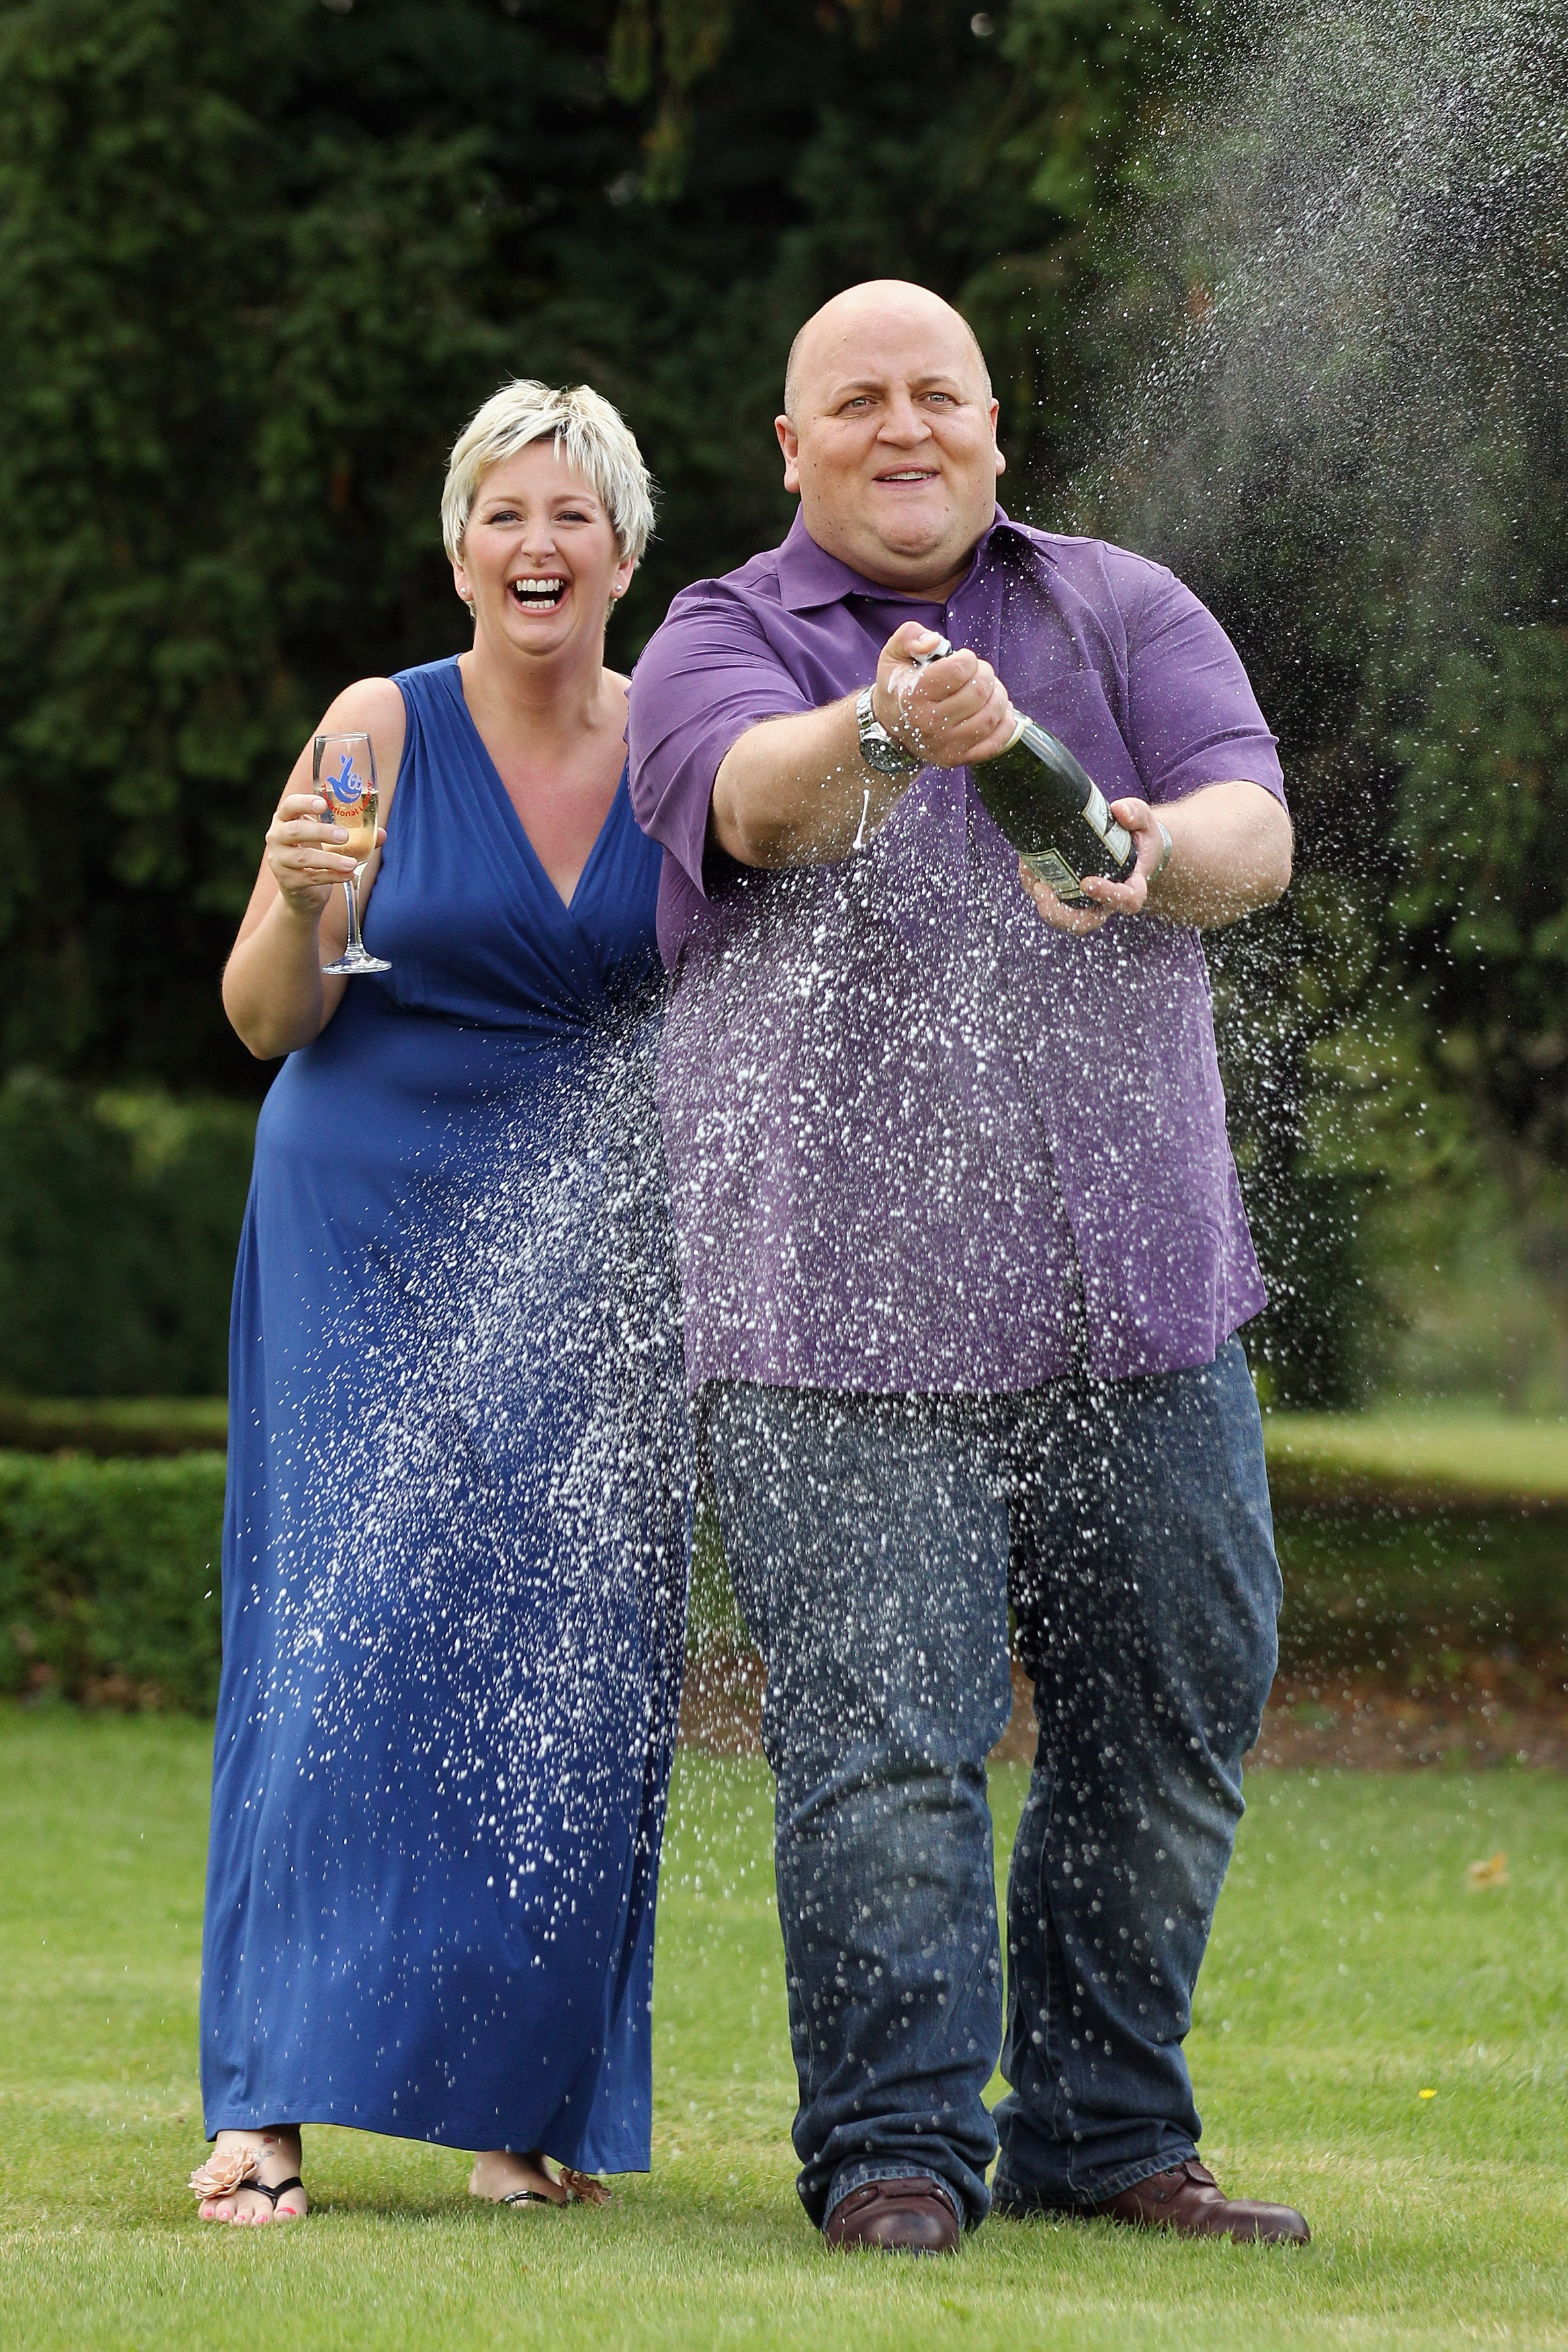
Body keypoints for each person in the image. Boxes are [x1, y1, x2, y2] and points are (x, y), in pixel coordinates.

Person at [627, 281, 1308, 2255]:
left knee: (1174, 1708)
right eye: (857, 401)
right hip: (839, 1327)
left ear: (996, 427)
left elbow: (1253, 823)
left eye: (938, 395)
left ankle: (1104, 2132)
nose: (901, 426)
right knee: (887, 1750)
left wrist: (1147, 853)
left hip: (1140, 1298)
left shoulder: (1122, 604)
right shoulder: (721, 636)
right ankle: (900, 2154)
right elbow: (750, 802)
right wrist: (890, 732)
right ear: (792, 446)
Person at [189, 380, 690, 2224]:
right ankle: (268, 2105)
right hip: (365, 1214)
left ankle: (524, 2108)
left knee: (583, 1642)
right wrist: (304, 906)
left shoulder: (681, 745)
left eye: (575, 516)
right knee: (337, 1628)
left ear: (628, 555)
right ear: (460, 545)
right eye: (505, 513)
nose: (538, 546)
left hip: (593, 1248)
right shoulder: (371, 732)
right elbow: (264, 1016)